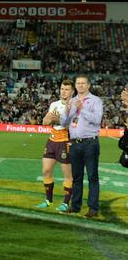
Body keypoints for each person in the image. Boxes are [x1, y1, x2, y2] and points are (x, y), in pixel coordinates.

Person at [59, 75, 103, 218]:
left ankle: (93, 208)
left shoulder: (95, 101)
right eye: (78, 83)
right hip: (74, 143)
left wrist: (82, 108)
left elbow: (97, 121)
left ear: (88, 85)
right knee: (76, 177)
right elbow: (65, 123)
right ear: (76, 86)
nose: (80, 85)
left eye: (83, 83)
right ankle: (76, 206)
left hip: (90, 142)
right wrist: (66, 111)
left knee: (92, 176)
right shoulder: (72, 101)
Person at [36, 79, 75, 212]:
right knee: (46, 171)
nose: (63, 92)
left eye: (67, 89)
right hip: (52, 140)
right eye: (62, 89)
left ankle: (65, 203)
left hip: (66, 140)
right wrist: (52, 119)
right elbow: (44, 122)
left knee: (67, 175)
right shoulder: (54, 104)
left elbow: (69, 124)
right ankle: (48, 200)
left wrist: (56, 119)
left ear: (72, 92)